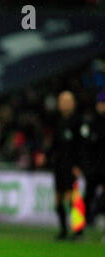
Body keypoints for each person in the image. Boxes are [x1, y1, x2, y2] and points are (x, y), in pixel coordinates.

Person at [48, 91, 82, 240]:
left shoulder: (78, 121)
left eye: (67, 100)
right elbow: (54, 144)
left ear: (73, 103)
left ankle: (77, 230)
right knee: (58, 201)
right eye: (62, 100)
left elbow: (82, 146)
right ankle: (63, 231)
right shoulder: (58, 121)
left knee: (71, 199)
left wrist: (79, 165)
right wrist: (46, 155)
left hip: (71, 165)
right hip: (59, 164)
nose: (64, 103)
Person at [79, 91, 105, 229]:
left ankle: (98, 217)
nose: (102, 106)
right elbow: (85, 146)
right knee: (88, 195)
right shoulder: (91, 122)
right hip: (93, 167)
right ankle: (83, 222)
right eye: (101, 103)